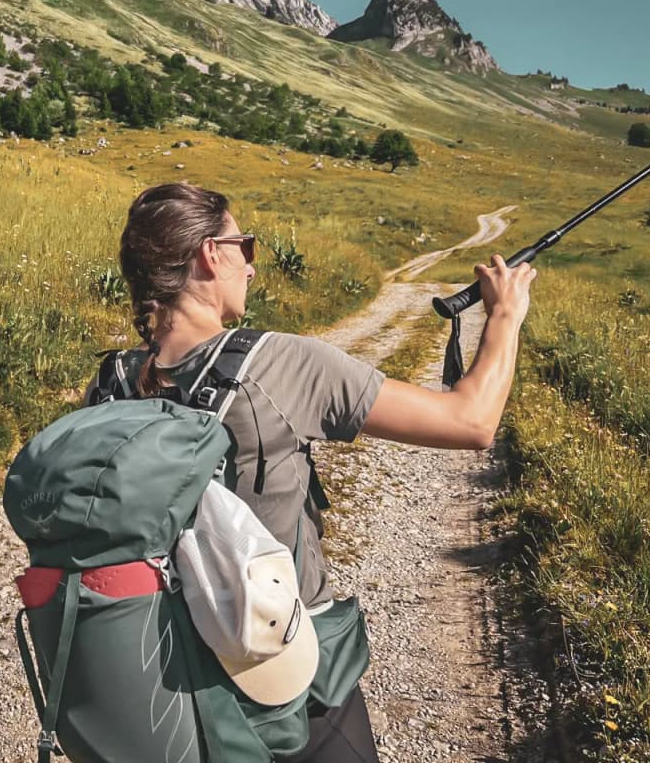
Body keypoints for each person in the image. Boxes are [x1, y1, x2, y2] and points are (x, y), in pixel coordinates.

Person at [93, 183, 536, 763]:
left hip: (165, 672)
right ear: (209, 254)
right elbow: (471, 421)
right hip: (283, 668)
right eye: (243, 246)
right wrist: (503, 315)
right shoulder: (279, 364)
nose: (250, 268)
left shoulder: (110, 384)